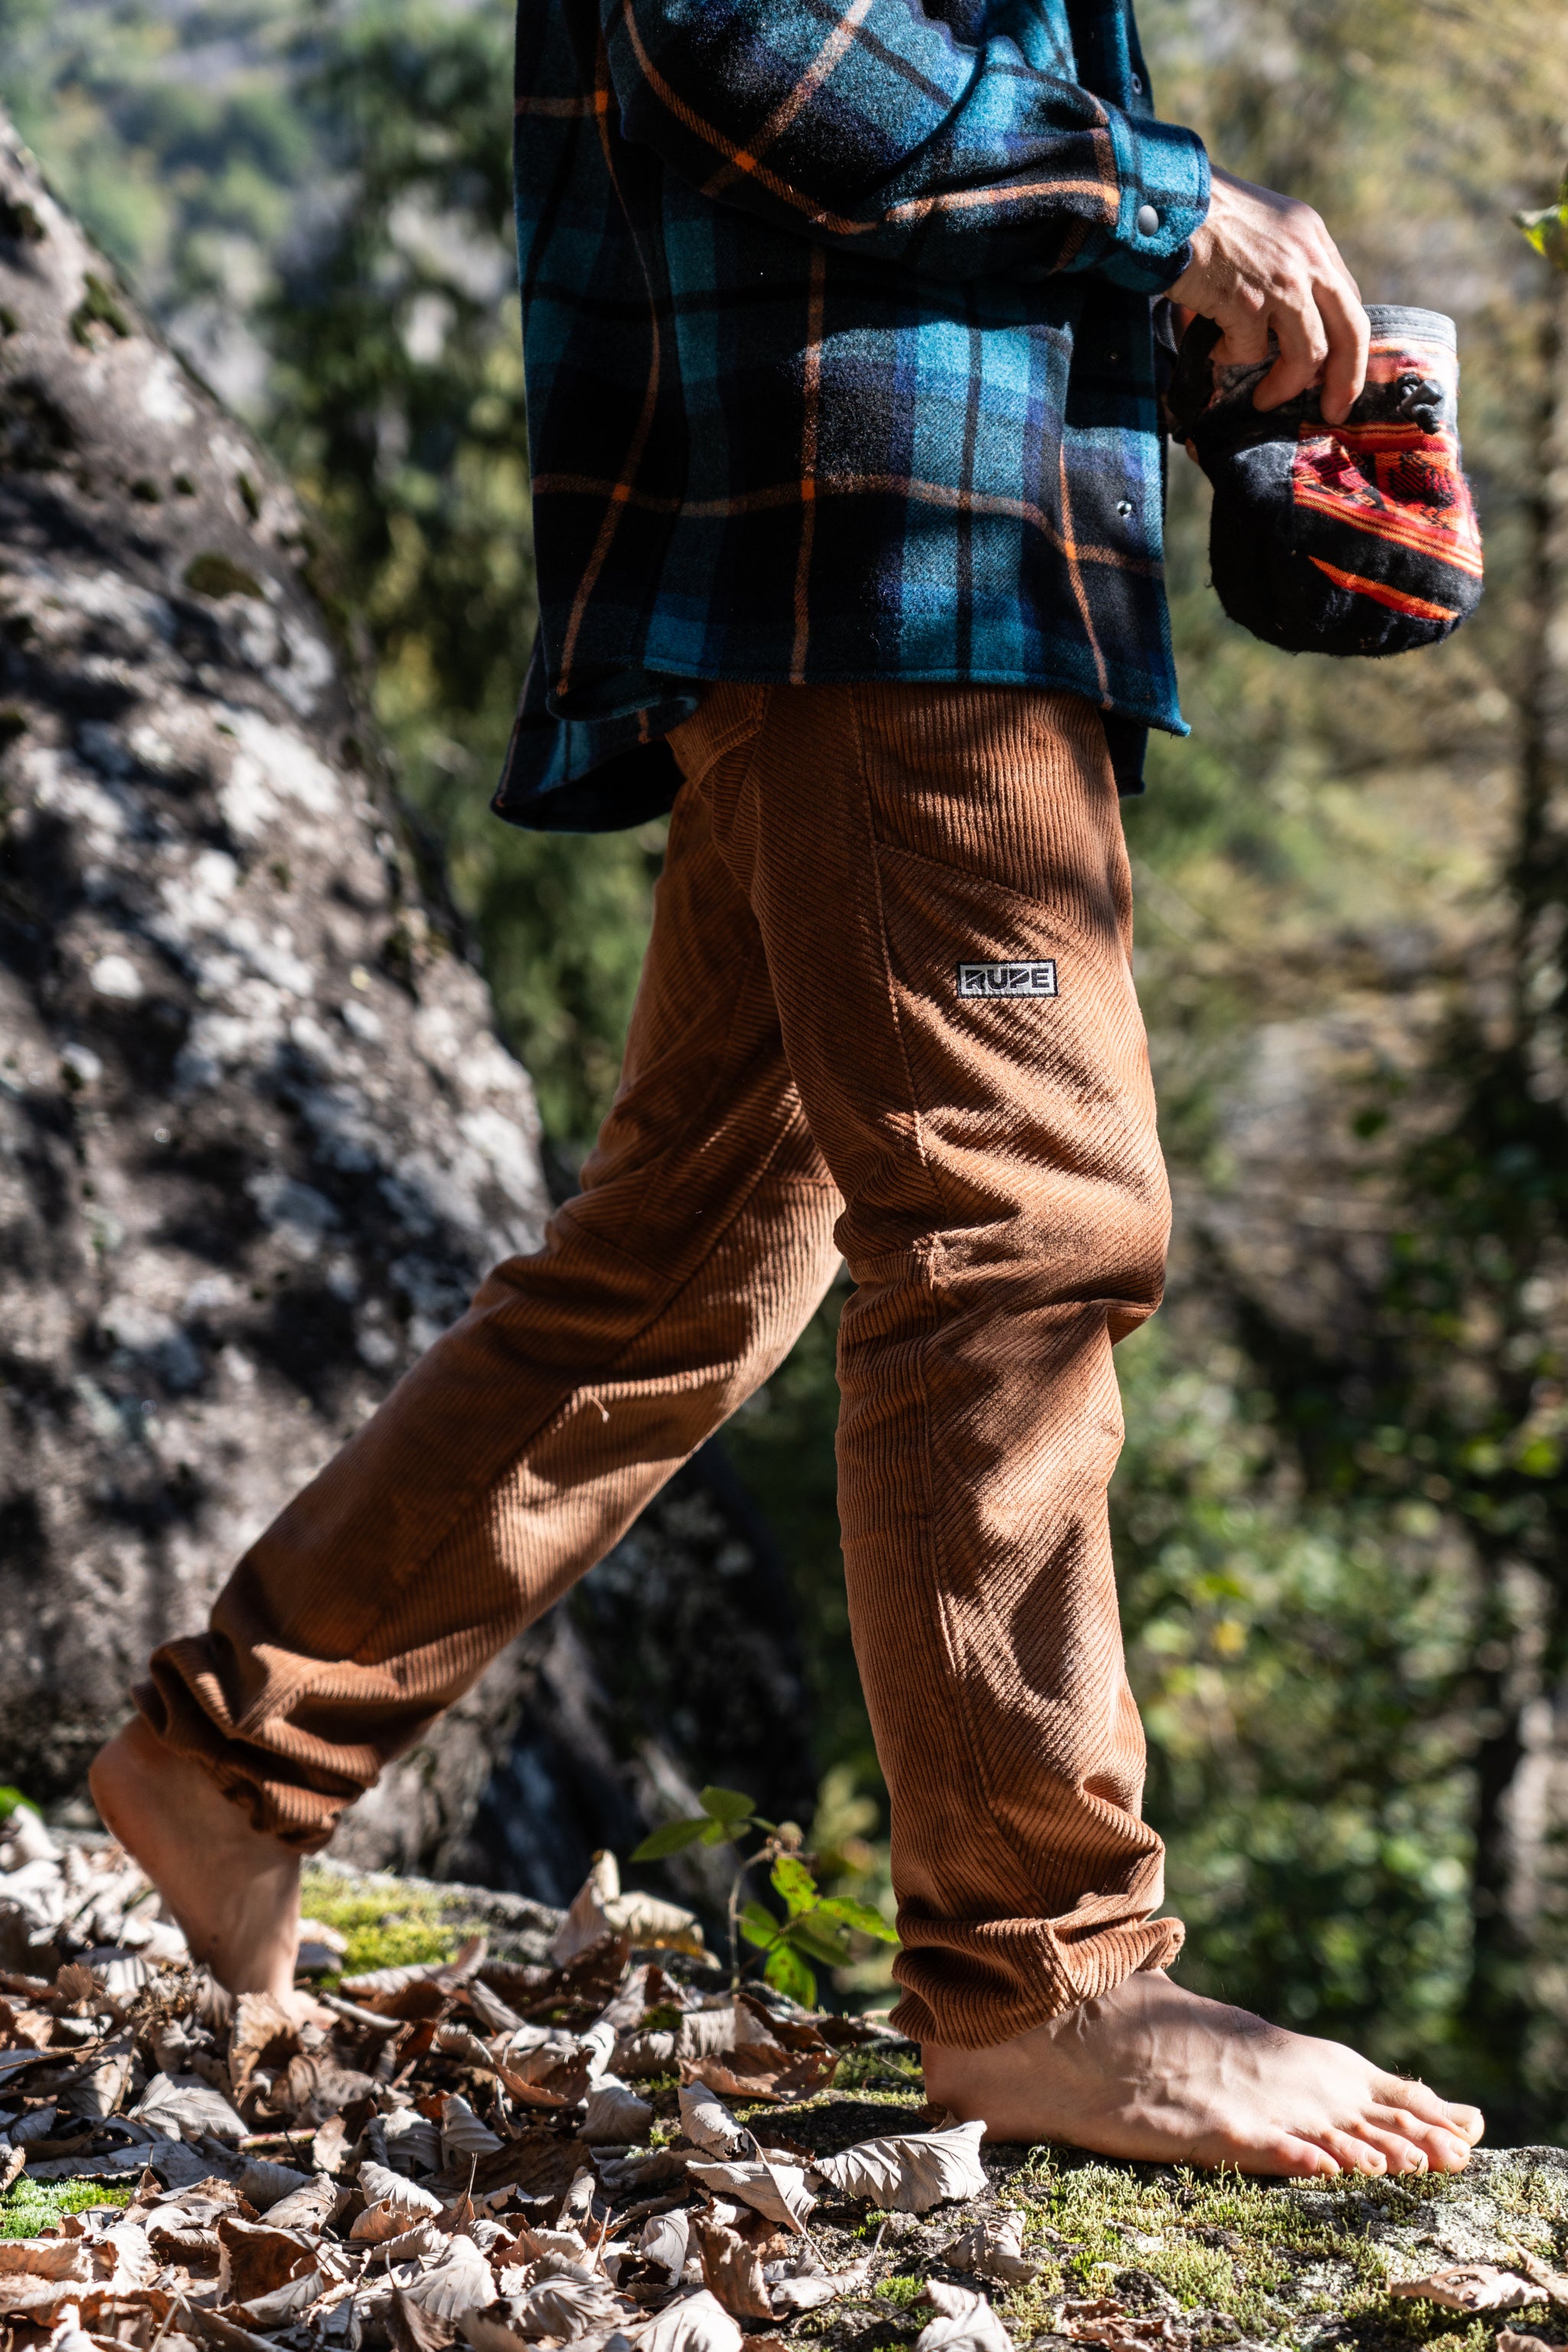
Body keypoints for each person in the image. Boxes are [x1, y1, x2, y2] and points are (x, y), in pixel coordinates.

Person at [91, 0, 1485, 2178]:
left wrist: (1223, 375)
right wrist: (1177, 205)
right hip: (899, 582)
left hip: (866, 561)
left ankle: (242, 1754)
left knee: (689, 1253)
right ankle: (1046, 1977)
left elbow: (897, 162)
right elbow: (744, 42)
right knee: (1030, 1232)